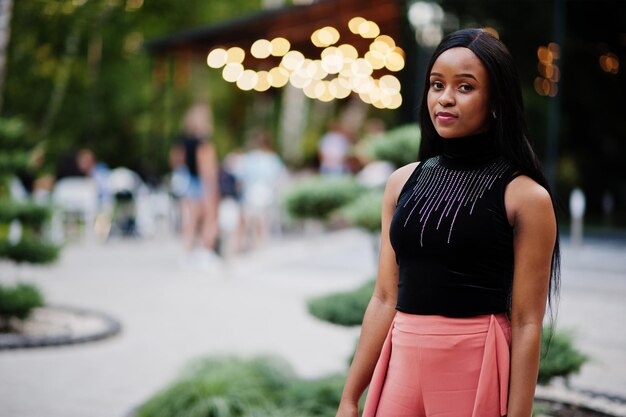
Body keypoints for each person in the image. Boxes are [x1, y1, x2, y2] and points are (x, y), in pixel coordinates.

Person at [335, 28, 560, 417]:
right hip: (401, 361)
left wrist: (519, 413)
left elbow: (526, 322)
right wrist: (350, 397)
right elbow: (384, 297)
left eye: (465, 87)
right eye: (436, 85)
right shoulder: (401, 182)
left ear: (495, 101)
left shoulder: (525, 197)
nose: (445, 98)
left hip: (473, 363)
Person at [173, 104, 221, 270]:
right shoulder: (203, 143)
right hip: (201, 184)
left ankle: (186, 253)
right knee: (209, 218)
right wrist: (212, 188)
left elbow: (175, 161)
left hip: (188, 182)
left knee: (190, 220)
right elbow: (206, 168)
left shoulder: (182, 142)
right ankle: (206, 254)